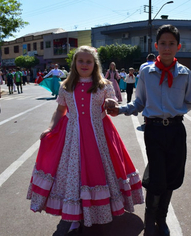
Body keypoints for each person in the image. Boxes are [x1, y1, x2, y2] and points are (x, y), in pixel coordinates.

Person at [27, 46, 144, 236]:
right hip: (72, 136)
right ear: (74, 63)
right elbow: (60, 111)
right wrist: (51, 128)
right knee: (73, 175)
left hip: (99, 136)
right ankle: (75, 216)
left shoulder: (104, 84)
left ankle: (100, 213)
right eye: (80, 61)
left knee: (100, 172)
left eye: (88, 61)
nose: (84, 64)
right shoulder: (66, 86)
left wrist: (112, 104)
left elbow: (112, 102)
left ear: (95, 64)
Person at [107, 24, 191, 236]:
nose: (167, 48)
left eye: (171, 44)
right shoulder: (146, 72)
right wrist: (121, 109)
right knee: (157, 177)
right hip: (154, 130)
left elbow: (190, 101)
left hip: (176, 130)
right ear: (156, 46)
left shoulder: (186, 73)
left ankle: (161, 219)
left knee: (172, 177)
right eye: (163, 43)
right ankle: (149, 219)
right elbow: (139, 102)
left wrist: (174, 112)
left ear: (178, 47)